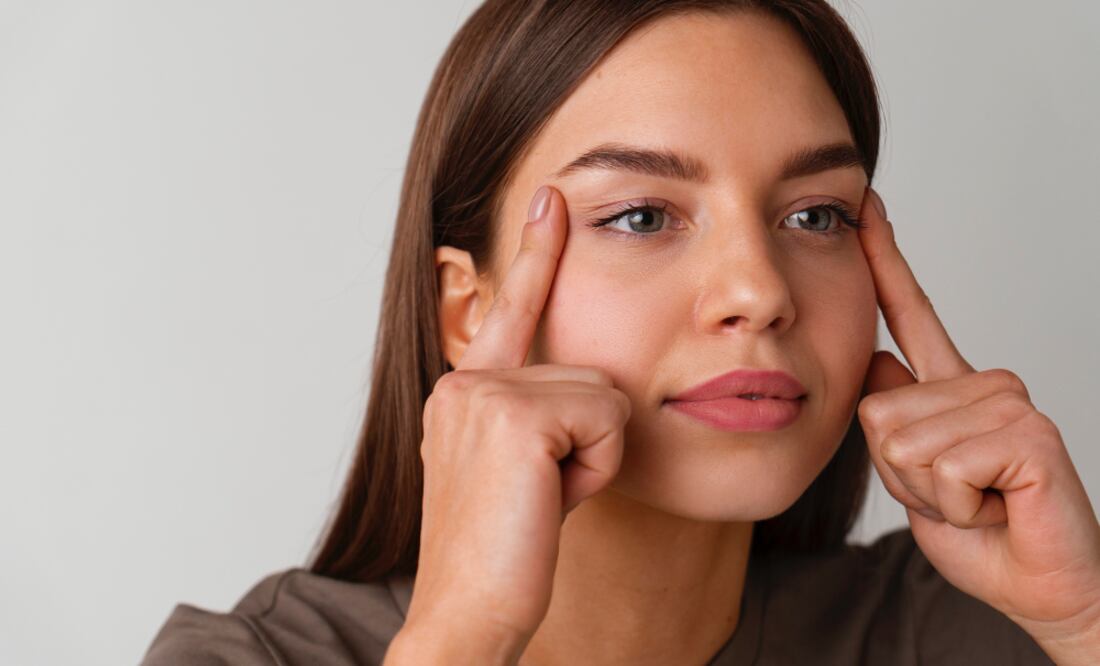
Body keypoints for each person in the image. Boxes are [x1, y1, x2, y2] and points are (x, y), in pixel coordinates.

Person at [141, 1, 1100, 664]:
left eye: (815, 216)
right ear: (468, 312)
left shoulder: (982, 633)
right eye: (642, 216)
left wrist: (1085, 622)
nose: (758, 292)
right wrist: (464, 636)